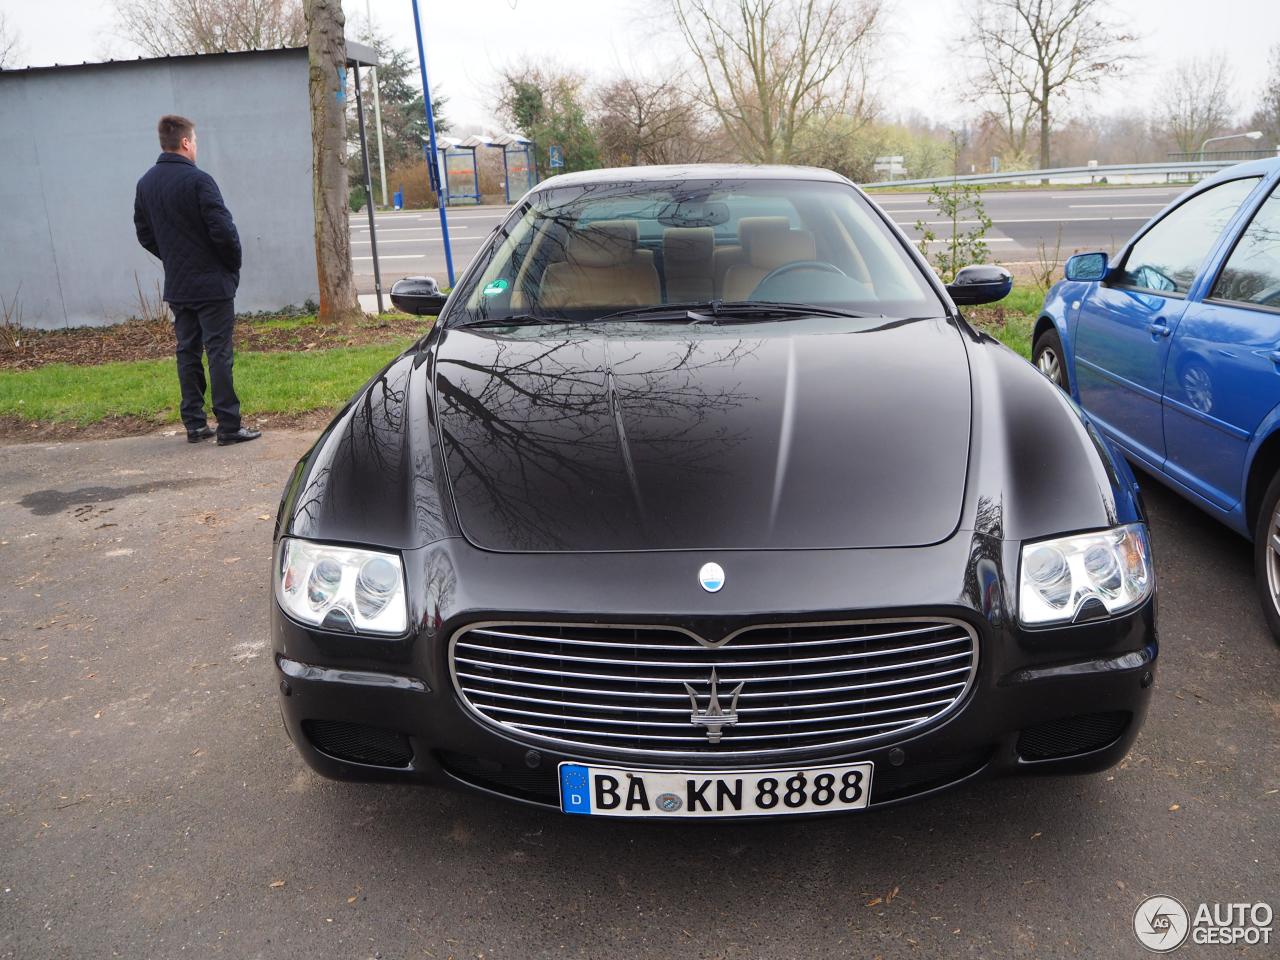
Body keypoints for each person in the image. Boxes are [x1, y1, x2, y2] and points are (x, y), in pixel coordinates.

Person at [133, 115, 260, 446]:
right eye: (196, 142)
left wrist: (173, 257)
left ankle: (194, 424)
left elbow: (144, 233)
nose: (197, 147)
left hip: (179, 283)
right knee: (219, 351)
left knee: (186, 351)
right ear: (186, 142)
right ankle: (229, 427)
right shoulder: (199, 181)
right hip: (212, 283)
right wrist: (231, 265)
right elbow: (223, 230)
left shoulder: (146, 184)